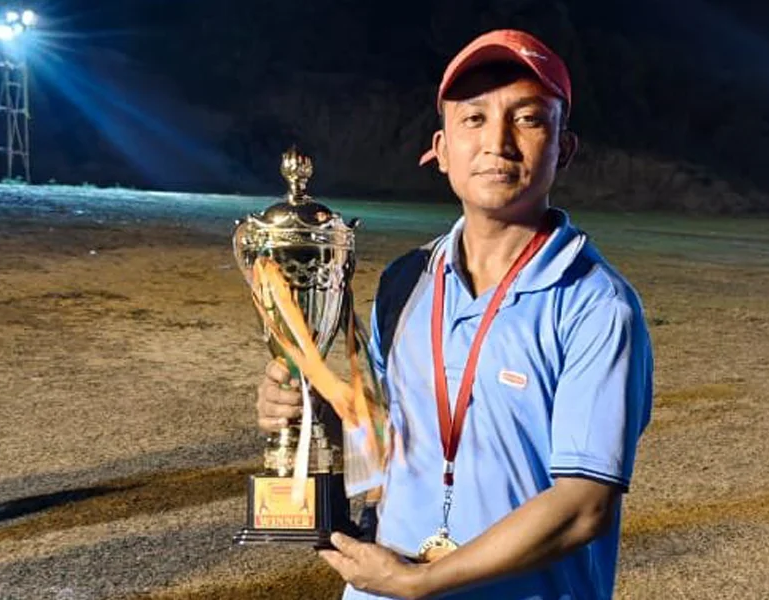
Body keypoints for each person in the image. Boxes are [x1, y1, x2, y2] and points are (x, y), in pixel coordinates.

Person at [257, 29, 654, 600]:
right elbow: (384, 439)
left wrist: (422, 580)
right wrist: (308, 412)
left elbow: (582, 507)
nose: (498, 142)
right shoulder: (406, 281)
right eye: (474, 118)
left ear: (563, 148)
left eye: (528, 118)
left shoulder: (595, 305)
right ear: (442, 150)